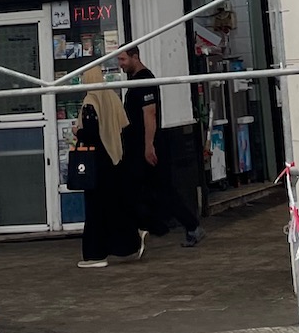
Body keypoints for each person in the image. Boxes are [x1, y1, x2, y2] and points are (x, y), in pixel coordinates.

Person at [117, 44, 202, 247]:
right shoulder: (136, 81)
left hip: (146, 146)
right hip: (139, 146)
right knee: (145, 189)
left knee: (161, 190)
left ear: (134, 57)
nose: (120, 64)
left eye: (122, 59)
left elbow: (150, 114)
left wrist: (148, 146)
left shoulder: (145, 80)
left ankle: (190, 226)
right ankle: (154, 228)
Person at [73, 66, 140, 267]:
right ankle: (129, 244)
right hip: (115, 158)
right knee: (114, 205)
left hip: (96, 162)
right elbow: (123, 125)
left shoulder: (90, 100)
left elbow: (92, 133)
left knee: (96, 210)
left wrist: (78, 131)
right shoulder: (111, 95)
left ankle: (95, 254)